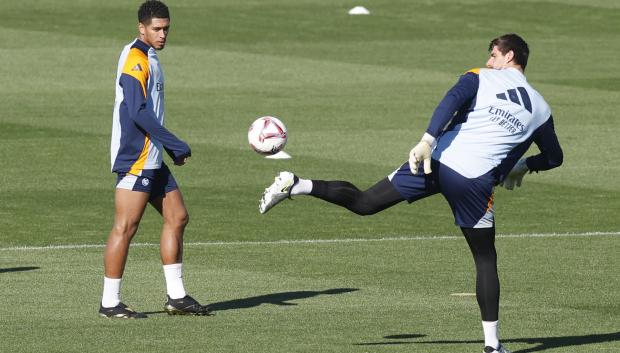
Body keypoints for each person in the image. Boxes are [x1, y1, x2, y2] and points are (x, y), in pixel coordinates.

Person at [259, 33, 562, 353]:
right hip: (472, 180)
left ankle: (297, 184)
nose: (489, 61)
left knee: (365, 203)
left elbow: (451, 100)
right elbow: (554, 158)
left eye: (493, 55)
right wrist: (524, 166)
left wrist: (428, 140)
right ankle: (492, 346)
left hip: (435, 160)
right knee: (485, 258)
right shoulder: (540, 108)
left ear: (509, 55)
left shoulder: (479, 77)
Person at [100, 0, 210, 318]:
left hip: (152, 156)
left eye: (166, 29)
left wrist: (165, 148)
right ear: (142, 28)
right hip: (136, 158)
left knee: (177, 217)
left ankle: (176, 297)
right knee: (126, 226)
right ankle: (109, 302)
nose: (162, 35)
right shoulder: (136, 59)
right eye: (157, 29)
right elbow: (137, 112)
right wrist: (173, 143)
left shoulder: (150, 56)